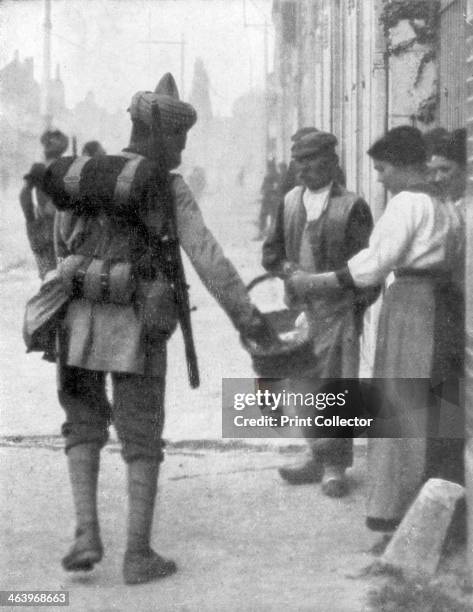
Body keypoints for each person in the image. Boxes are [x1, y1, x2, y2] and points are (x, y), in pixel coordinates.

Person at [44, 73, 274, 585]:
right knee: (141, 435)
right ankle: (137, 555)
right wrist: (247, 317)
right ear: (159, 134)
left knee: (82, 426)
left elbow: (62, 246)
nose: (183, 147)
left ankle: (85, 534)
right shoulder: (166, 186)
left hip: (78, 320)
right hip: (138, 323)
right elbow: (208, 257)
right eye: (179, 137)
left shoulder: (84, 175)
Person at [283, 126, 464, 536]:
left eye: (382, 169)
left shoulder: (407, 204)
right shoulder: (445, 204)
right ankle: (436, 506)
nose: (379, 178)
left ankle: (394, 508)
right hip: (442, 306)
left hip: (412, 307)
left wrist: (315, 282)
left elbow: (374, 263)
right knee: (434, 405)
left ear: (402, 166)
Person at [262, 130, 377, 497]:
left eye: (312, 160)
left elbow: (367, 269)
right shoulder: (290, 202)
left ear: (332, 162)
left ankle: (334, 466)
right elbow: (271, 254)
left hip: (339, 311)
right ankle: (315, 455)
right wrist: (288, 272)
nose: (304, 168)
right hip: (302, 312)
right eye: (299, 161)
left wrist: (354, 310)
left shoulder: (353, 206)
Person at [19, 129, 69, 278]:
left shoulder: (39, 168)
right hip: (62, 228)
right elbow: (24, 195)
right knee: (63, 274)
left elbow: (24, 195)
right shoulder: (66, 166)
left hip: (46, 227)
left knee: (48, 275)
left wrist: (31, 220)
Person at [256, 159, 280, 239]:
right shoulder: (267, 176)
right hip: (267, 198)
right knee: (263, 216)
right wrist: (263, 190)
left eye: (271, 167)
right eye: (269, 167)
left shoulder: (277, 176)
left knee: (273, 216)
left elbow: (278, 187)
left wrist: (269, 190)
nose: (270, 168)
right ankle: (261, 232)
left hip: (273, 199)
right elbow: (262, 188)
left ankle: (273, 233)